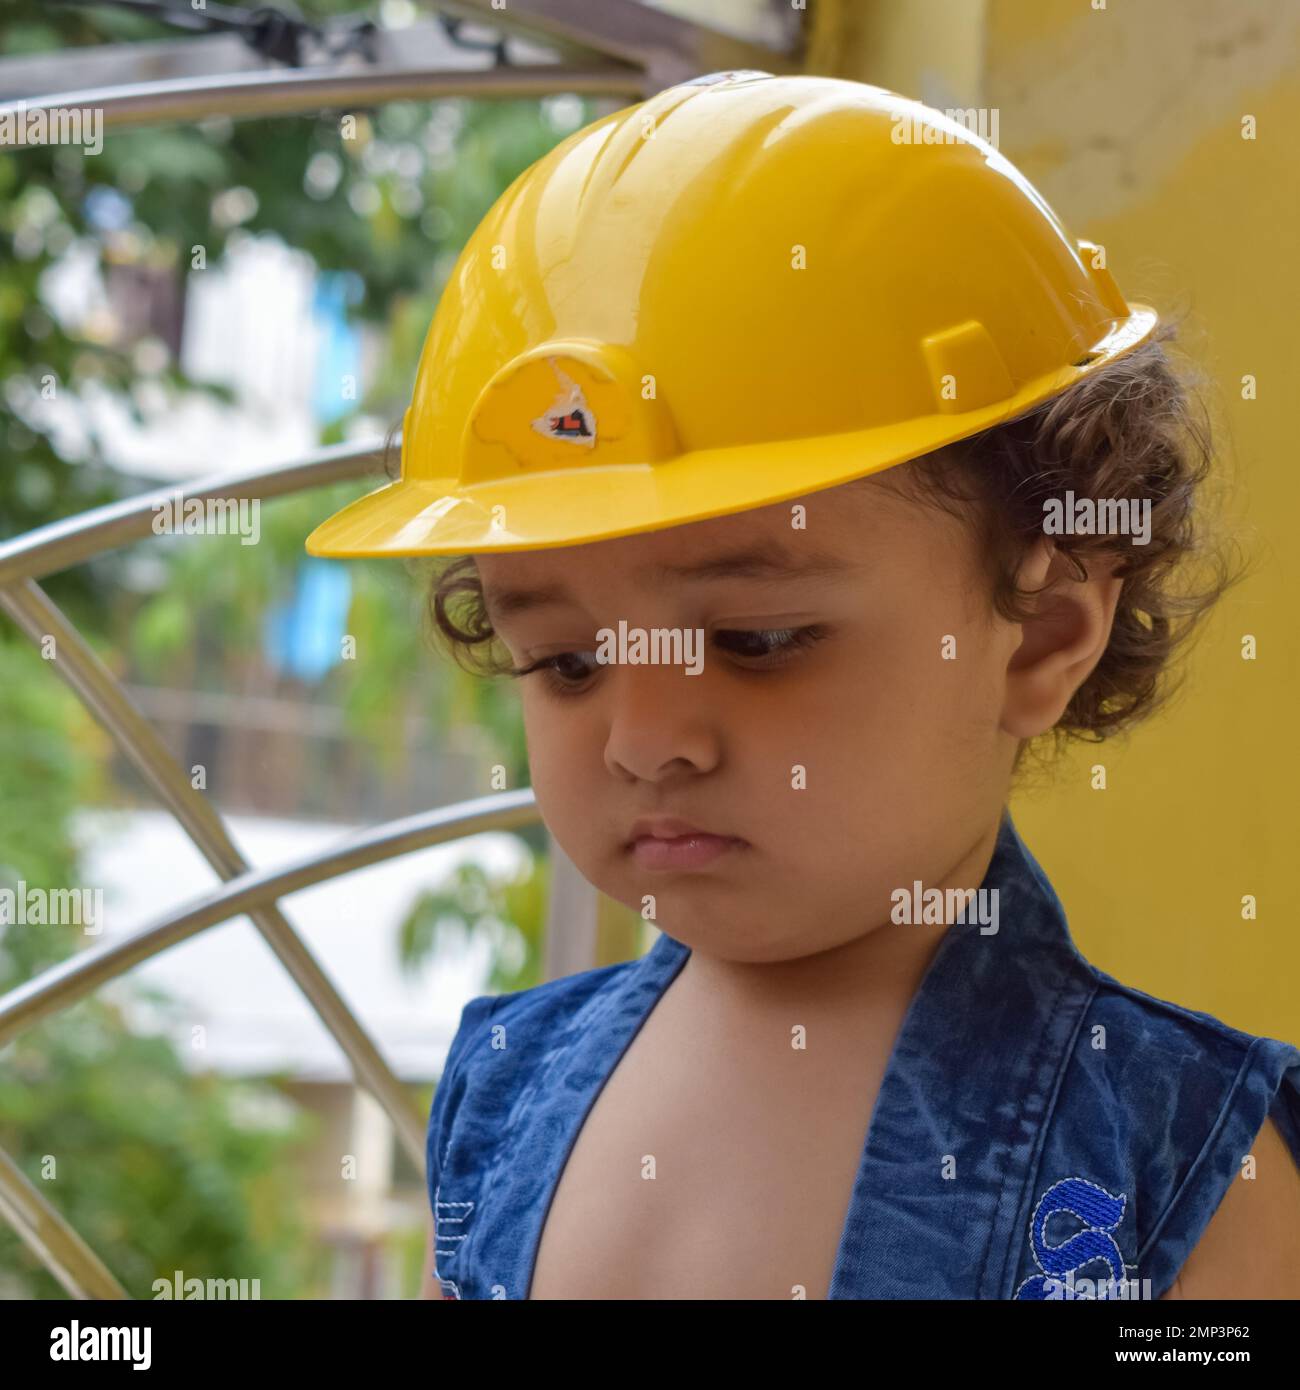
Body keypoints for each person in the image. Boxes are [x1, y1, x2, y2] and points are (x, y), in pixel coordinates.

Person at [305, 73, 1300, 1300]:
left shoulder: (1173, 1161)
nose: (644, 738)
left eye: (760, 641)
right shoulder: (505, 1088)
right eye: (567, 661)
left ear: (1041, 631)